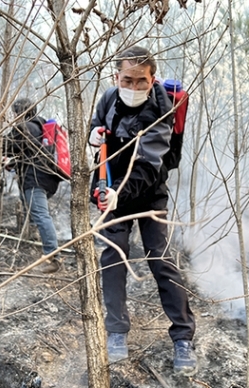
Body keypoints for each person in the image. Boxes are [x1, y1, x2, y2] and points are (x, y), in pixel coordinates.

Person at [88, 46, 197, 375]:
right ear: (116, 77)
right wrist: (93, 135)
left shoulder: (162, 107)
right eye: (127, 80)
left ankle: (183, 338)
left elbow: (150, 163)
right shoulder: (108, 98)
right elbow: (97, 126)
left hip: (149, 194)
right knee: (113, 256)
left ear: (152, 79)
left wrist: (122, 193)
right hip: (110, 190)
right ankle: (117, 333)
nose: (134, 87)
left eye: (141, 81)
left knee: (160, 258)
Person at [3, 98, 62, 274]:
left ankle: (54, 258)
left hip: (35, 179)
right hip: (48, 179)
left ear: (19, 113)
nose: (13, 117)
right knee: (36, 213)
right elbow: (22, 154)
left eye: (15, 113)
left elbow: (6, 146)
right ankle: (40, 242)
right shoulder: (40, 127)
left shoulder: (24, 128)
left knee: (41, 215)